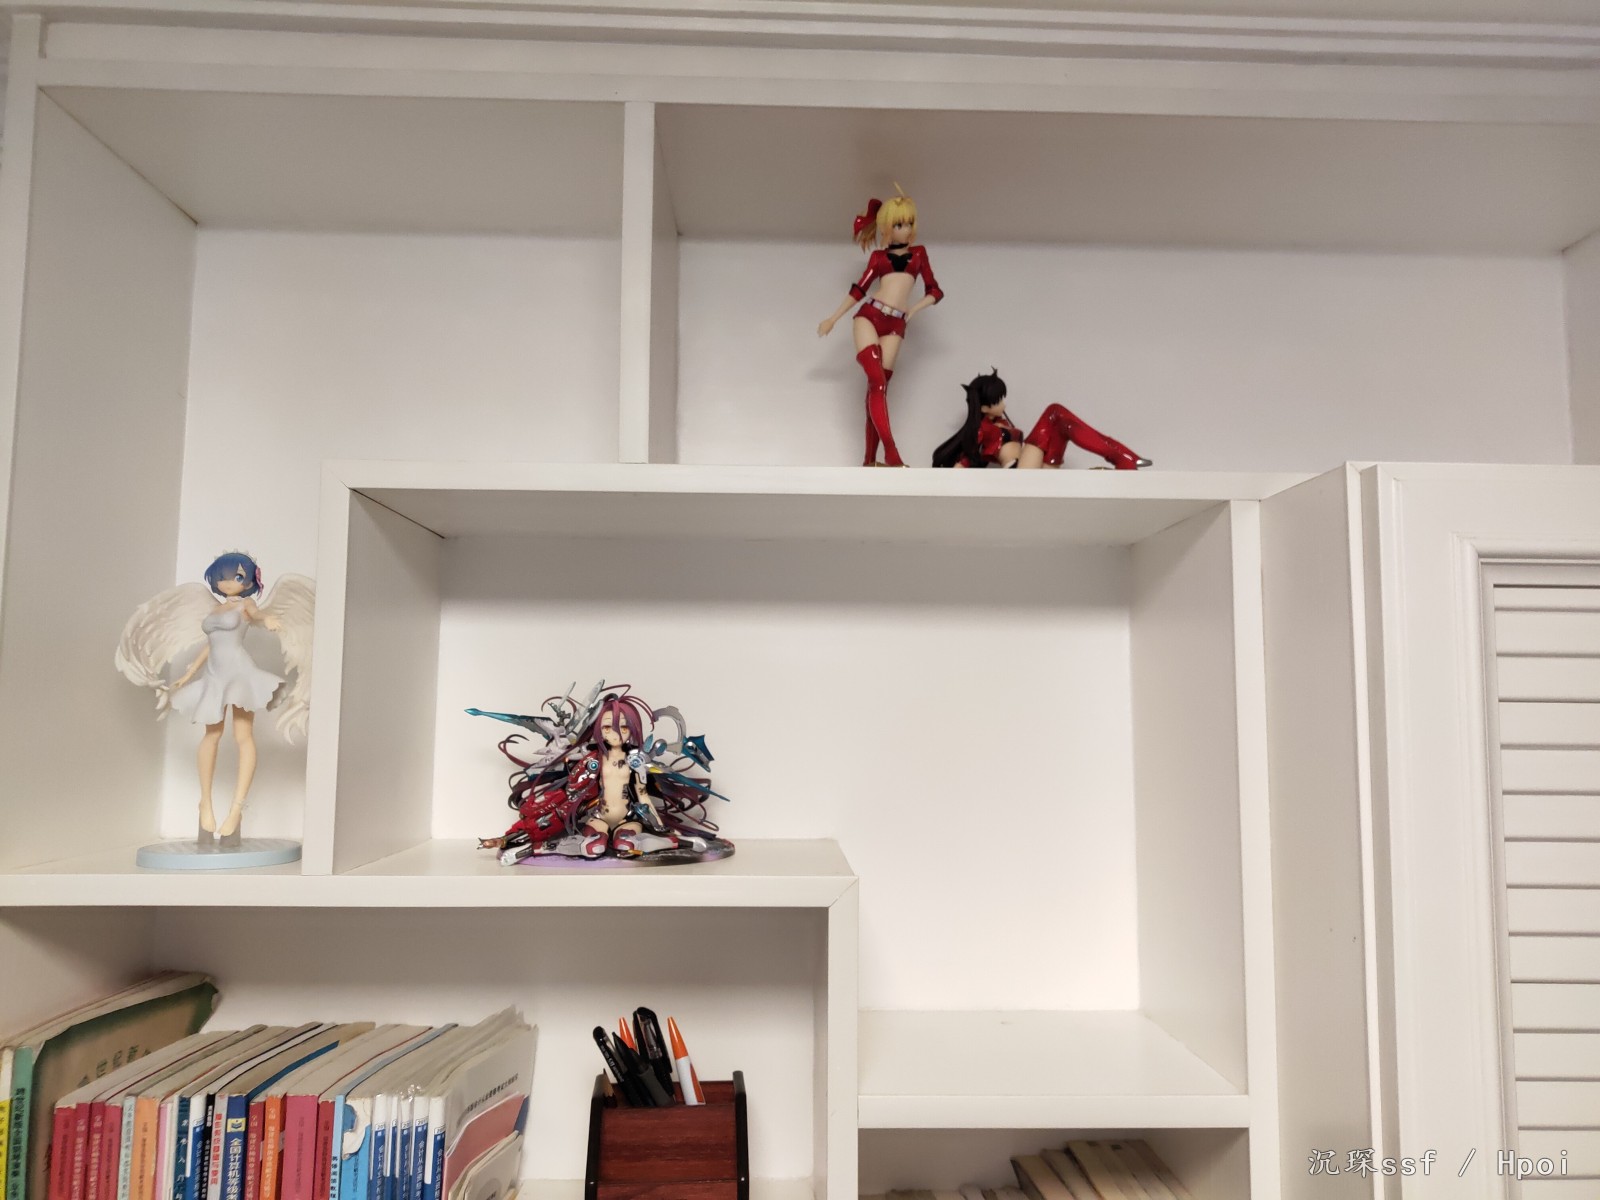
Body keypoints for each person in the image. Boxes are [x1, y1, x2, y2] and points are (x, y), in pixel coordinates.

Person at [116, 551, 315, 842]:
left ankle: (236, 809)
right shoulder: (215, 609)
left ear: (249, 580)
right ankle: (205, 804)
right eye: (223, 577)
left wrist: (268, 618)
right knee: (211, 735)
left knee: (243, 736)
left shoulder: (246, 604)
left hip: (239, 672)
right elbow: (212, 644)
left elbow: (257, 615)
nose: (229, 582)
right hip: (214, 674)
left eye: (237, 577)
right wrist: (189, 672)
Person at [817, 188, 943, 467]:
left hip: (896, 325)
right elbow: (859, 289)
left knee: (878, 389)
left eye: (909, 223)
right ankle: (891, 453)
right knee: (877, 382)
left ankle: (869, 461)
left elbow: (935, 291)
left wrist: (913, 310)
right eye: (899, 224)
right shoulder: (878, 258)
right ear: (887, 228)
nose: (906, 229)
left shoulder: (919, 255)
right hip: (870, 317)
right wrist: (833, 318)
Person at [931, 370, 1151, 470]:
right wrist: (956, 472)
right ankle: (1121, 455)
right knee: (1054, 412)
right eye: (999, 400)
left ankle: (1122, 457)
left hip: (1036, 468)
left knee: (1063, 424)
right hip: (1020, 473)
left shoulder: (1002, 422)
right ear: (985, 407)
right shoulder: (983, 428)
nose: (1004, 404)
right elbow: (969, 455)